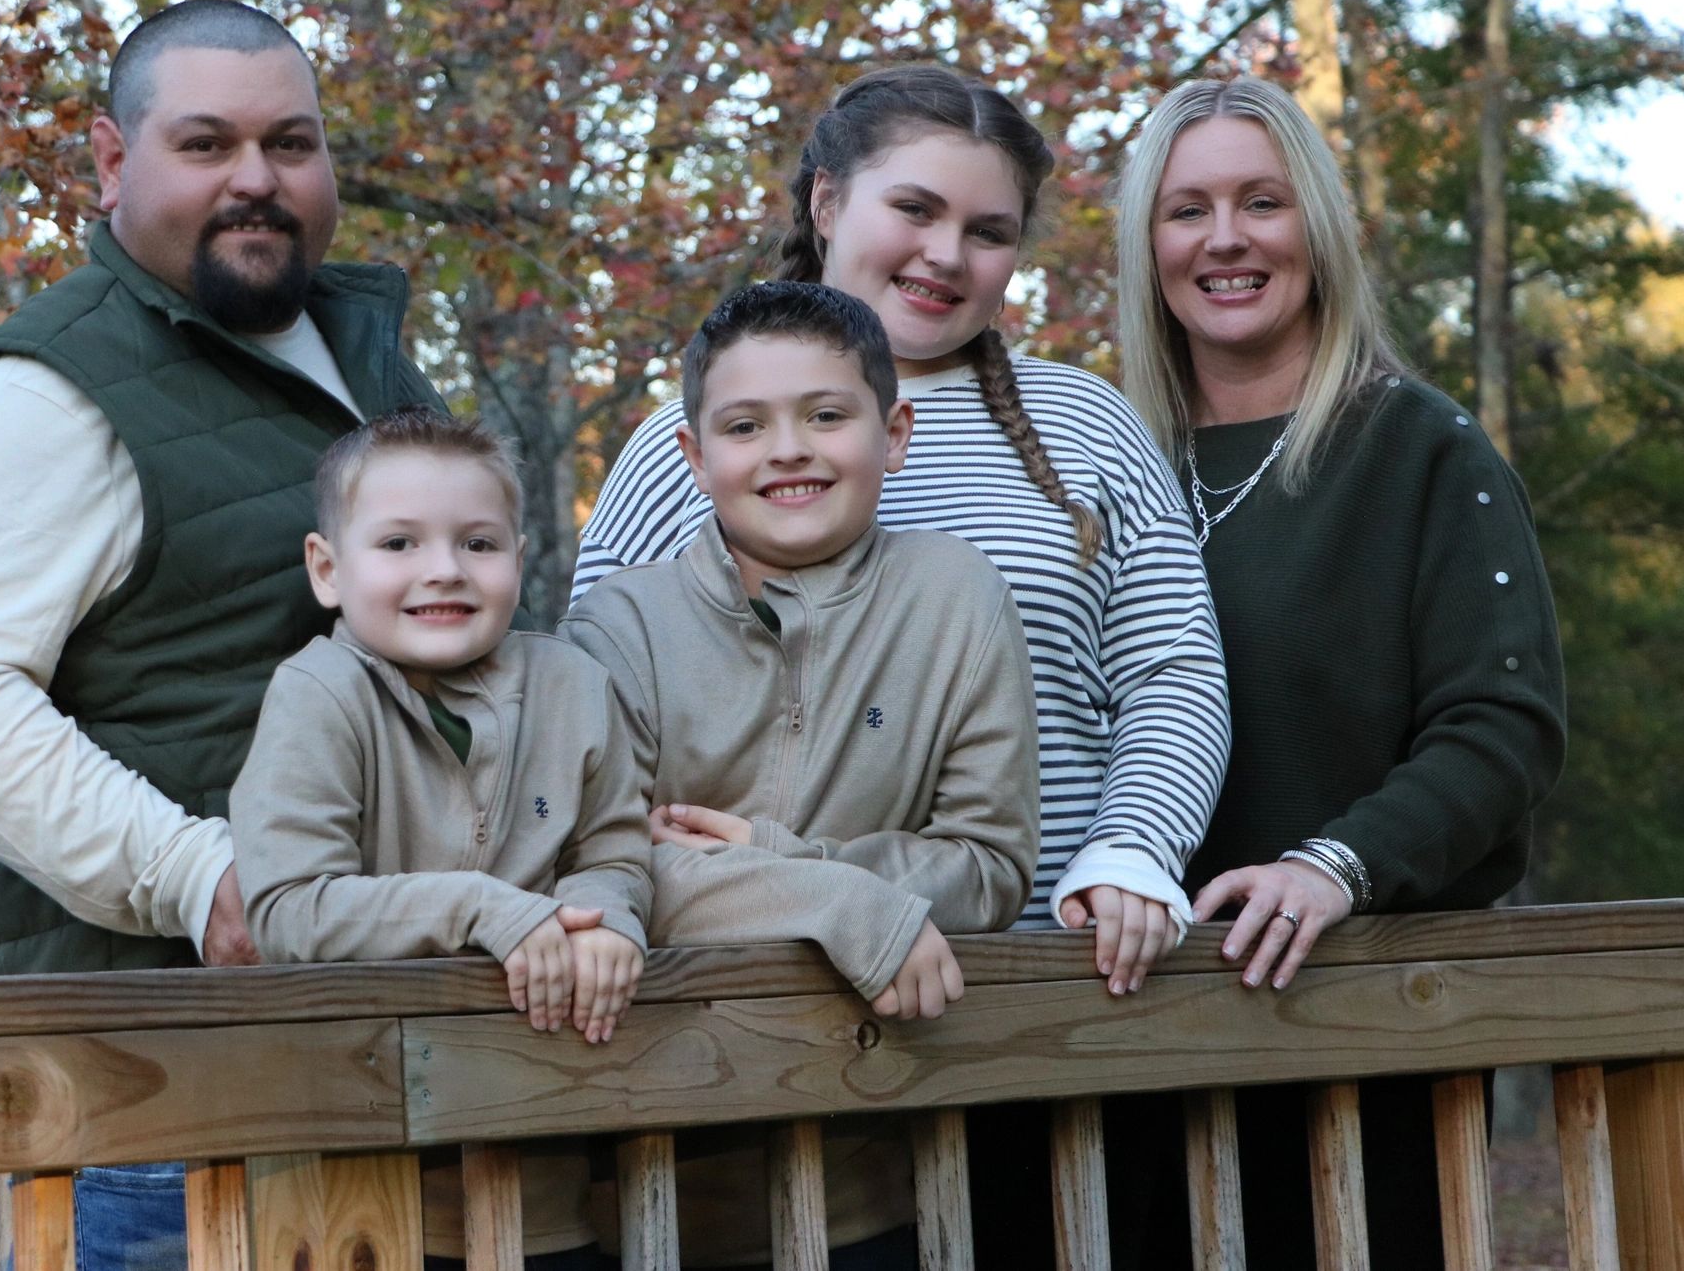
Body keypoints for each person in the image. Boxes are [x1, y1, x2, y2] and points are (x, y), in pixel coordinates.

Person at [571, 66, 1229, 1265]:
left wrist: (1135, 847)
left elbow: (1171, 667)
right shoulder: (695, 443)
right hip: (768, 1023)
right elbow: (585, 735)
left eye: (989, 232)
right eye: (914, 210)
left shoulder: (1083, 424)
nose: (946, 255)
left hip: (1054, 985)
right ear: (827, 202)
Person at [0, 0, 444, 1271]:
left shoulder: (370, 360)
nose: (257, 179)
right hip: (166, 1103)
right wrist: (201, 878)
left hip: (384, 1063)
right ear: (113, 163)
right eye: (206, 142)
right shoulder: (43, 393)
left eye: (291, 143)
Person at [1109, 74, 1566, 1267]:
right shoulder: (1100, 466)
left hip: (1351, 1042)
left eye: (1261, 201)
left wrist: (1333, 868)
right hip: (1113, 1049)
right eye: (1185, 209)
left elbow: (1501, 727)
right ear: (1143, 244)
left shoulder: (1419, 450)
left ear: (1318, 226)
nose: (1224, 239)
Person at [563, 280, 1039, 1271]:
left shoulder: (958, 599)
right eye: (745, 425)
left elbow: (990, 867)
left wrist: (783, 859)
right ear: (694, 458)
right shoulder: (621, 625)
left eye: (826, 415)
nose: (788, 448)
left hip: (870, 1160)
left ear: (892, 433)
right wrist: (842, 904)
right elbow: (604, 869)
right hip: (643, 1150)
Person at [232, 409, 651, 1270]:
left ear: (518, 556)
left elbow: (614, 848)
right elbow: (287, 908)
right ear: (327, 568)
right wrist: (481, 907)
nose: (444, 571)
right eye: (398, 544)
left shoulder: (573, 684)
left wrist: (606, 918)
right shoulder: (318, 695)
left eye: (478, 543)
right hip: (358, 1200)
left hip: (546, 1183)